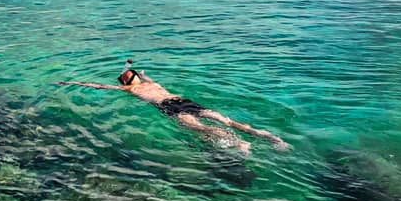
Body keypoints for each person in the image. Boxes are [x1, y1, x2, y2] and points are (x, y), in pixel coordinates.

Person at [58, 64, 289, 155]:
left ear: (125, 83)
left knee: (200, 129)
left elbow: (98, 86)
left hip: (169, 107)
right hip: (182, 99)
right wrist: (140, 70)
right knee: (227, 121)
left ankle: (240, 145)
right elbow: (146, 74)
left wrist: (72, 84)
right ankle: (273, 139)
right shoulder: (151, 83)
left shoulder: (129, 91)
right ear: (138, 77)